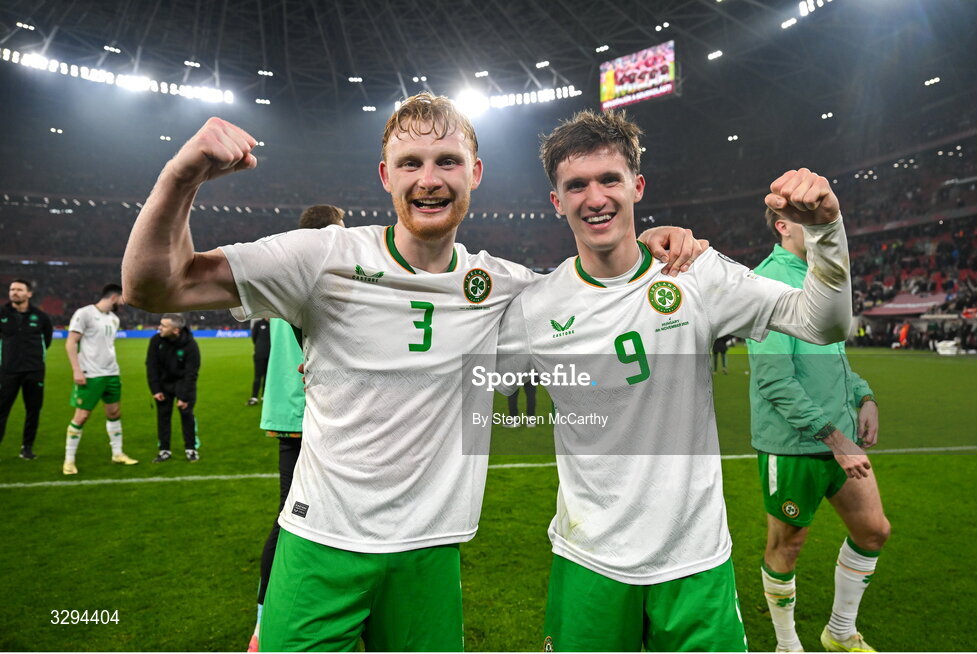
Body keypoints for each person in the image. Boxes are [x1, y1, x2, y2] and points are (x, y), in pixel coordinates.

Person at [121, 96, 703, 651]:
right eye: (410, 164)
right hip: (321, 541)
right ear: (385, 176)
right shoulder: (323, 258)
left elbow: (597, 290)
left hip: (430, 551)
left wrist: (644, 244)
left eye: (447, 161)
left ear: (475, 173)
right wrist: (182, 175)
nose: (429, 179)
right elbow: (153, 286)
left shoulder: (504, 285)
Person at [495, 109, 855, 651]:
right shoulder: (535, 307)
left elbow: (824, 324)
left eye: (610, 179)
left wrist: (826, 230)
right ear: (556, 201)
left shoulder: (696, 272)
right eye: (576, 185)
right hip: (589, 561)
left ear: (637, 186)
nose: (595, 197)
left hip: (695, 561)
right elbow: (464, 376)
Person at [747, 208, 889, 652]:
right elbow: (774, 378)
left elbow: (835, 357)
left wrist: (865, 396)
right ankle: (787, 644)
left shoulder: (822, 277)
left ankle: (840, 632)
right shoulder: (767, 282)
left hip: (840, 439)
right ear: (783, 226)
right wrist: (834, 437)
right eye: (807, 219)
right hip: (794, 444)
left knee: (873, 531)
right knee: (787, 547)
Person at [248, 203, 346, 653]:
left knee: (304, 512)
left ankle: (299, 610)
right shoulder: (315, 274)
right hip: (310, 410)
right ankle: (266, 621)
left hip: (292, 410)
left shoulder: (286, 274)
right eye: (341, 230)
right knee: (295, 516)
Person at [63, 283, 138, 474]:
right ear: (114, 297)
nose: (123, 303)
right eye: (122, 299)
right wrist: (76, 370)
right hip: (90, 374)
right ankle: (69, 461)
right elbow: (71, 342)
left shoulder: (114, 319)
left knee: (114, 412)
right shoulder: (85, 313)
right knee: (81, 417)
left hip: (111, 373)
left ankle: (117, 453)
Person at [0, 278, 53, 460]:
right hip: (7, 372)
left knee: (33, 411)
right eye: (12, 289)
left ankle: (27, 448)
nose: (14, 292)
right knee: (1, 410)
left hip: (34, 371)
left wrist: (34, 359)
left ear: (29, 293)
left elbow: (47, 340)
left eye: (19, 289)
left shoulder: (41, 317)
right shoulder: (2, 314)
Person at [146, 313, 201, 462]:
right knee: (163, 416)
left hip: (183, 384)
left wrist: (184, 397)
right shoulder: (156, 341)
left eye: (164, 326)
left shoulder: (190, 345)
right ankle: (164, 450)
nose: (159, 328)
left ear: (176, 330)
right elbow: (151, 366)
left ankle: (191, 449)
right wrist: (155, 389)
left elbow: (191, 373)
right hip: (163, 384)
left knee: (187, 415)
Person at [248, 318, 270, 405]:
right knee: (257, 376)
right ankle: (254, 397)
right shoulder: (258, 324)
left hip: (270, 355)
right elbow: (254, 338)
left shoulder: (273, 325)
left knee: (267, 376)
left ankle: (265, 396)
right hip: (259, 354)